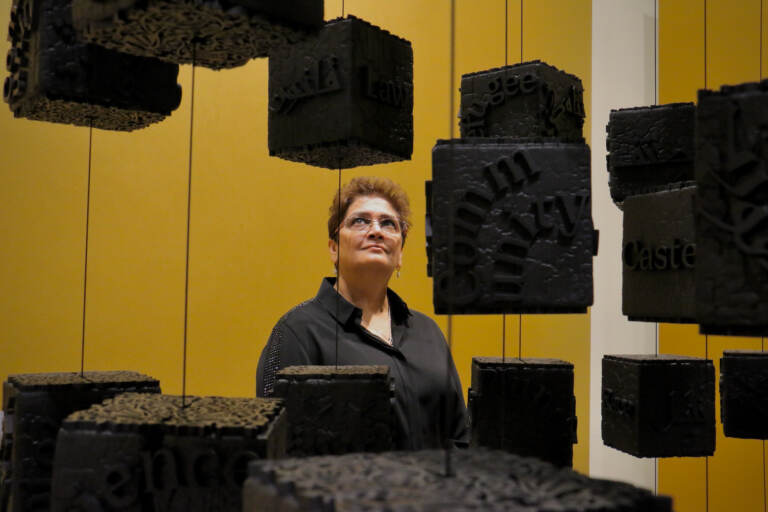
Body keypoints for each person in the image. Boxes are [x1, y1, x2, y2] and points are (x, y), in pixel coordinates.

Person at [256, 176, 468, 450]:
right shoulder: (296, 332)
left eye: (388, 223)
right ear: (333, 248)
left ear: (400, 253)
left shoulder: (429, 332)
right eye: (360, 221)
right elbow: (279, 450)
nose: (376, 231)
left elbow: (461, 437)